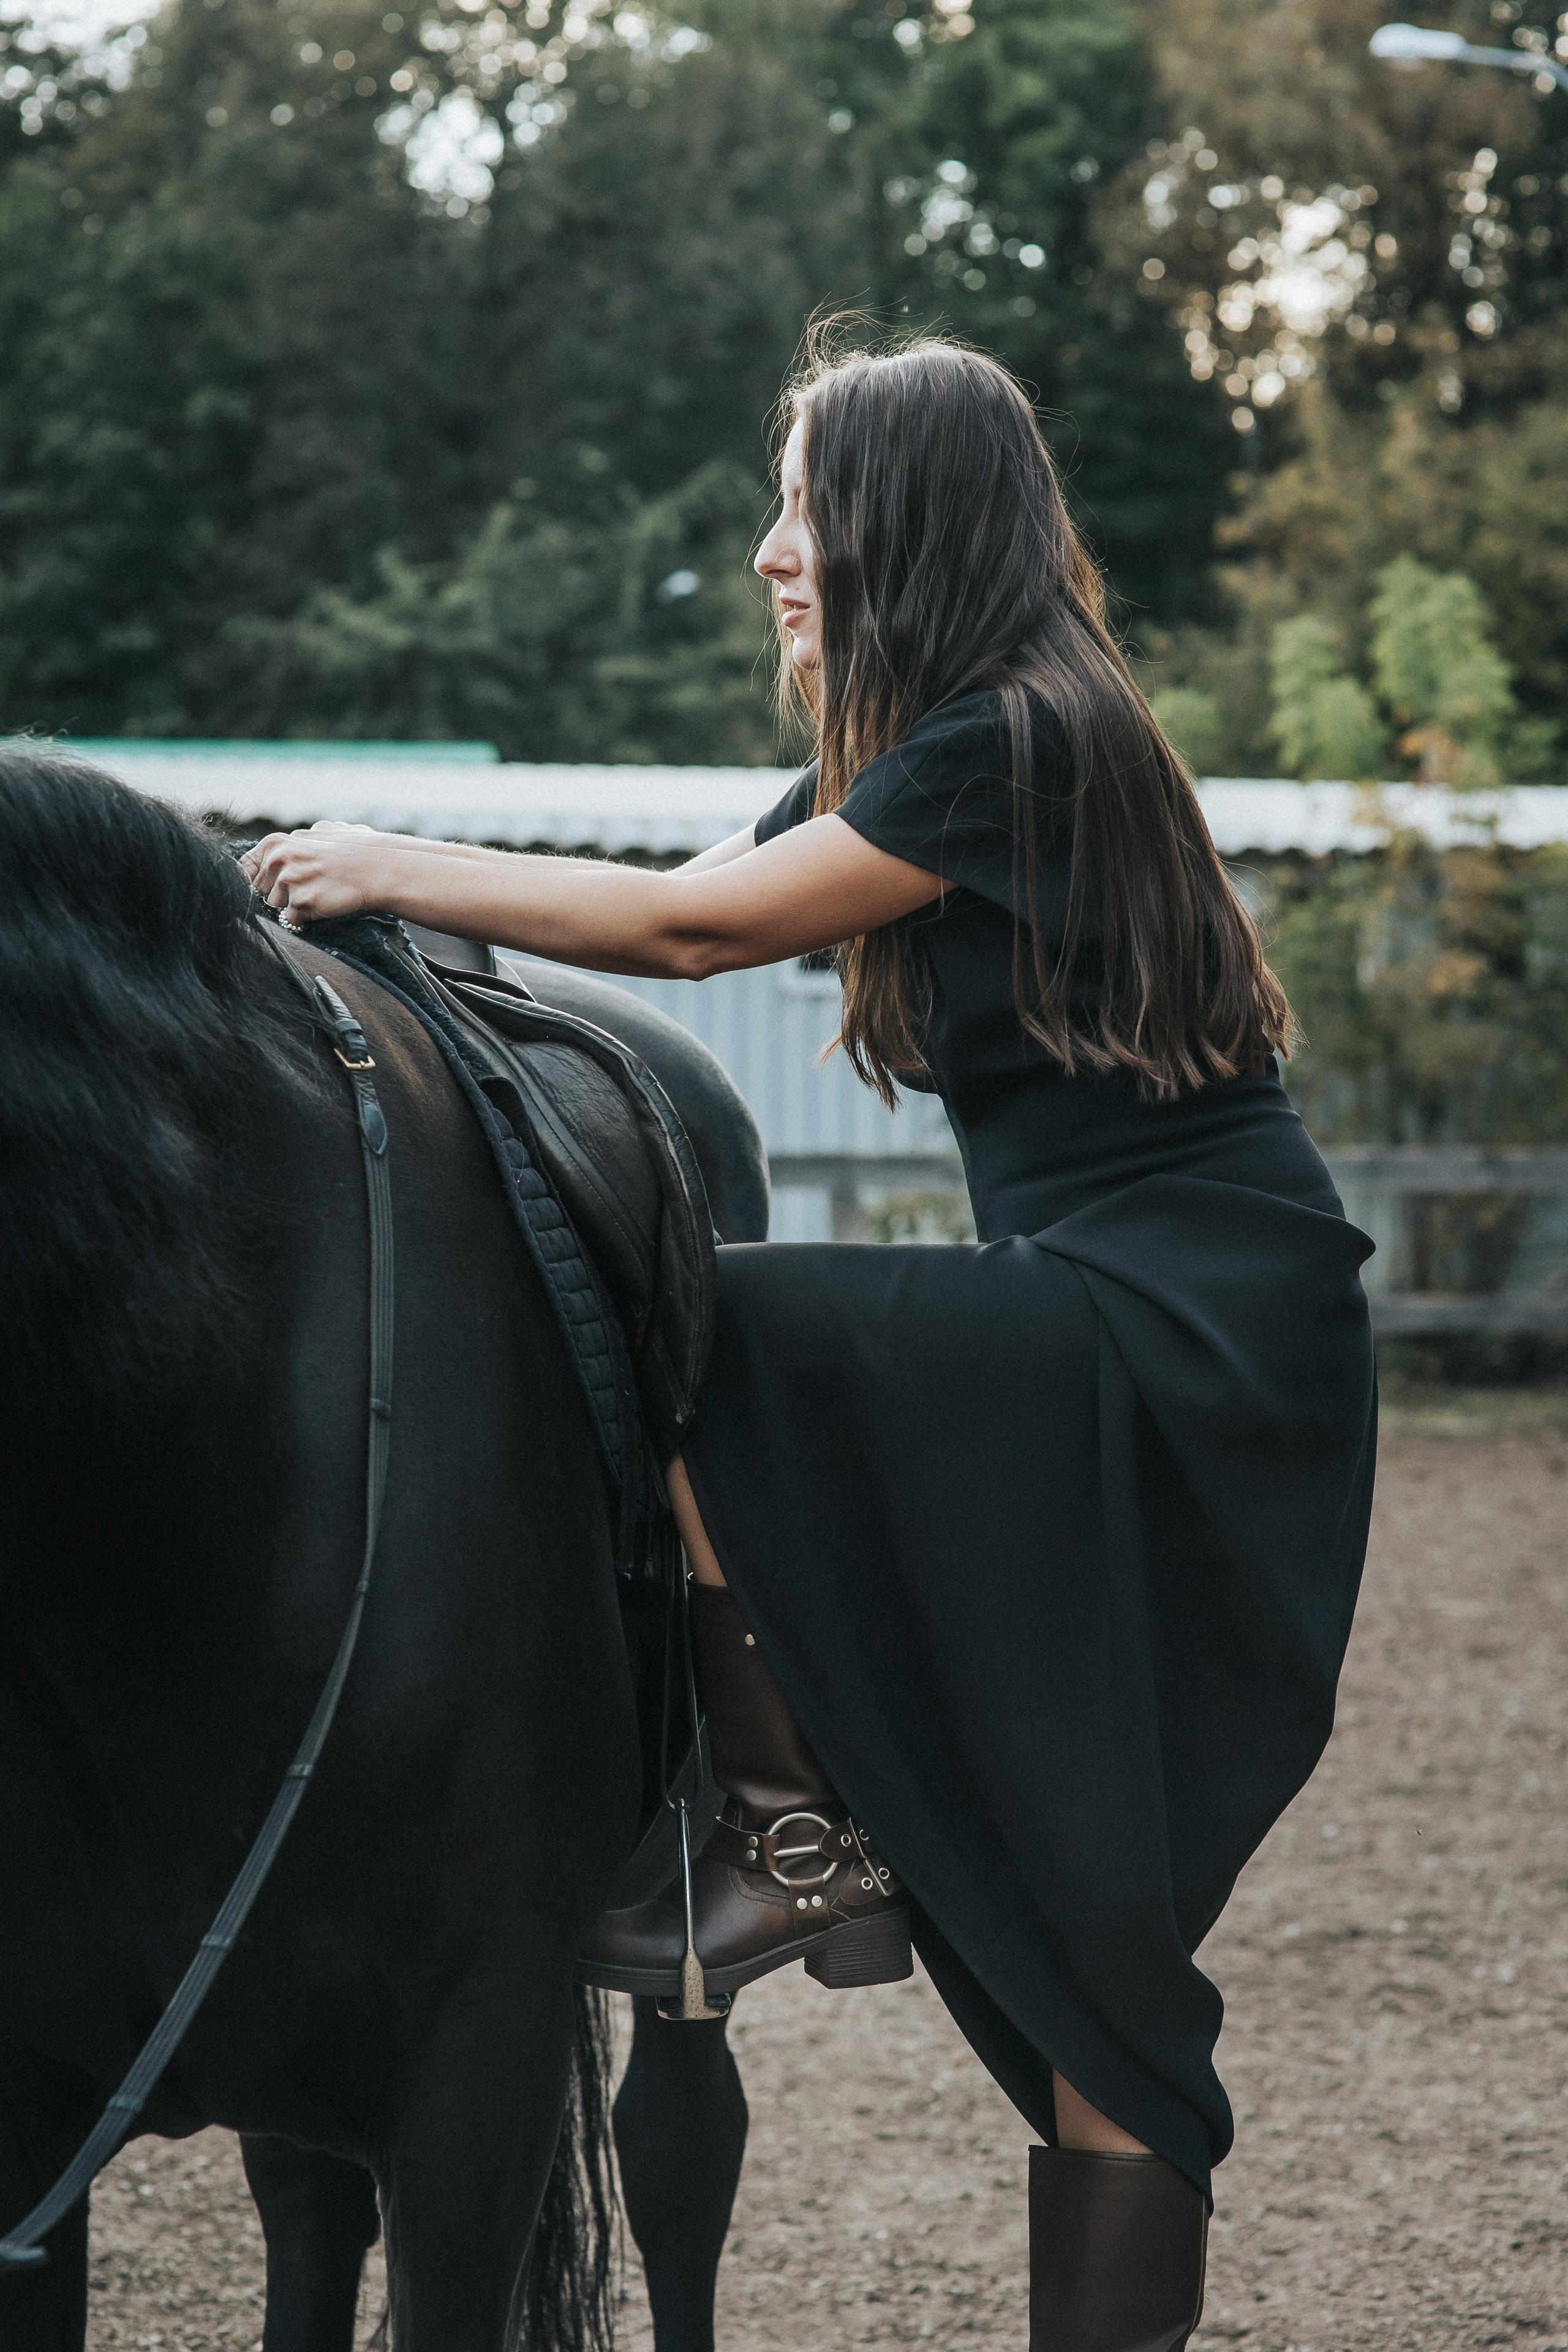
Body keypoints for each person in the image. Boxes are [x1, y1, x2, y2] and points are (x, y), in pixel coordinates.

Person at [241, 330, 1376, 2351]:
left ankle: (779, 1824)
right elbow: (687, 889)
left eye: (805, 507)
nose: (777, 551)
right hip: (1160, 1303)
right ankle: (793, 1825)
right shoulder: (922, 751)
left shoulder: (1022, 737)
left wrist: (380, 859)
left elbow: (682, 939)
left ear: (905, 523)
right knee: (1085, 1924)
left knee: (731, 1320)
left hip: (1189, 1323)